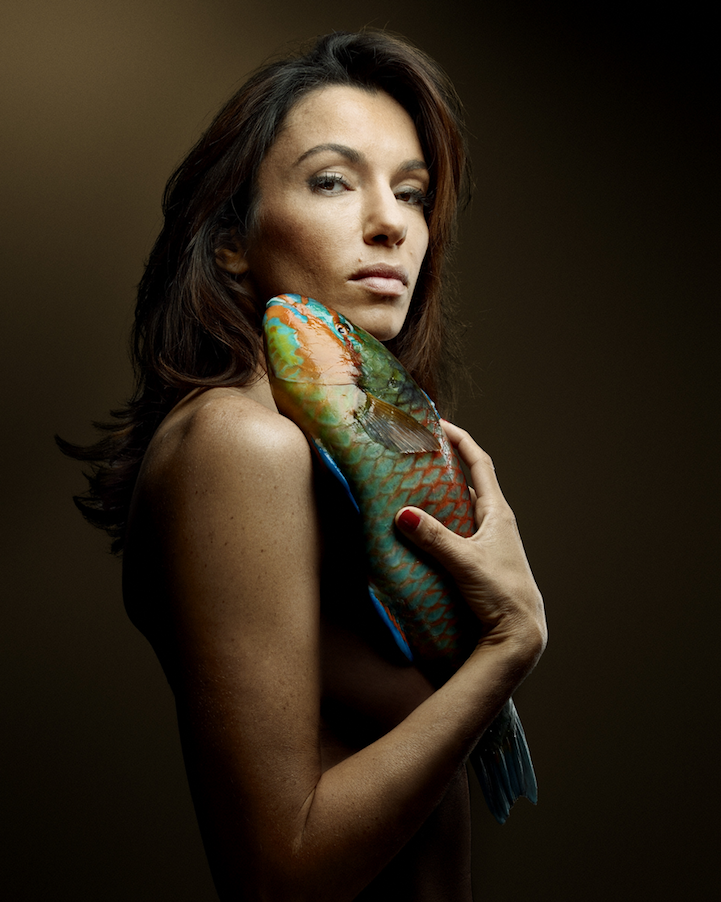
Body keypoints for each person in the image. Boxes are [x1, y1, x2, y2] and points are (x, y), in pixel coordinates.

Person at [62, 31, 546, 901]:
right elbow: (277, 873)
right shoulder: (239, 442)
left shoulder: (322, 451)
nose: (391, 222)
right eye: (332, 181)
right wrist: (509, 646)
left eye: (411, 192)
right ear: (230, 241)